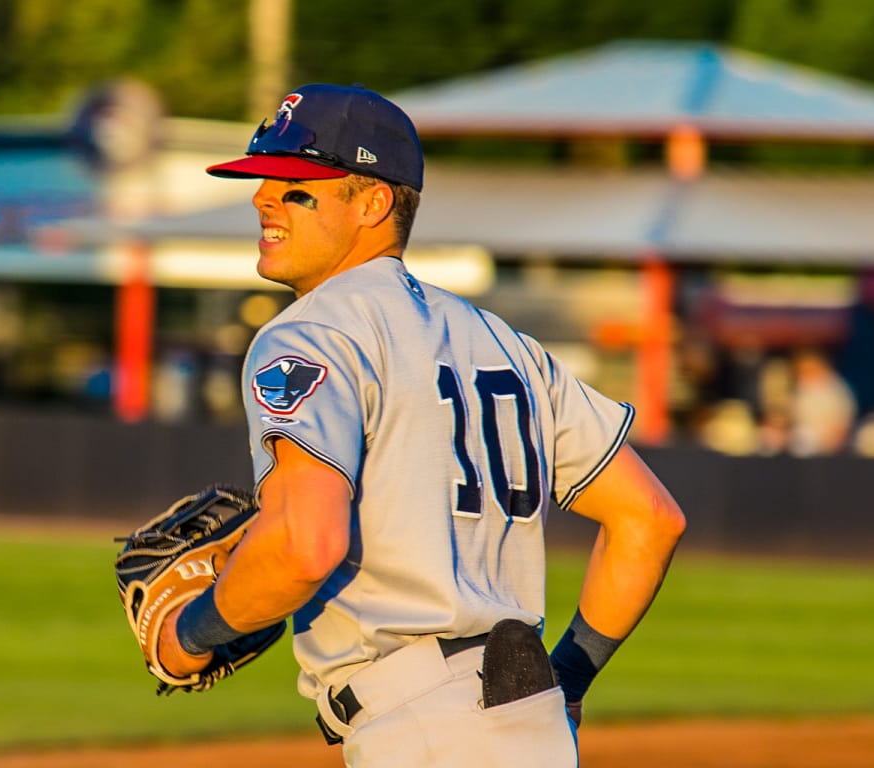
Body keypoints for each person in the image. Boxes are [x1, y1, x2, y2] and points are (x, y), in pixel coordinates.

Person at [156, 84, 686, 767]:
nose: (263, 197)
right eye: (266, 179)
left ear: (373, 202)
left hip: (419, 727)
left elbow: (304, 546)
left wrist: (190, 633)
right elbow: (649, 518)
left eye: (297, 185)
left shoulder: (311, 334)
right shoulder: (504, 342)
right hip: (531, 722)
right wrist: (571, 679)